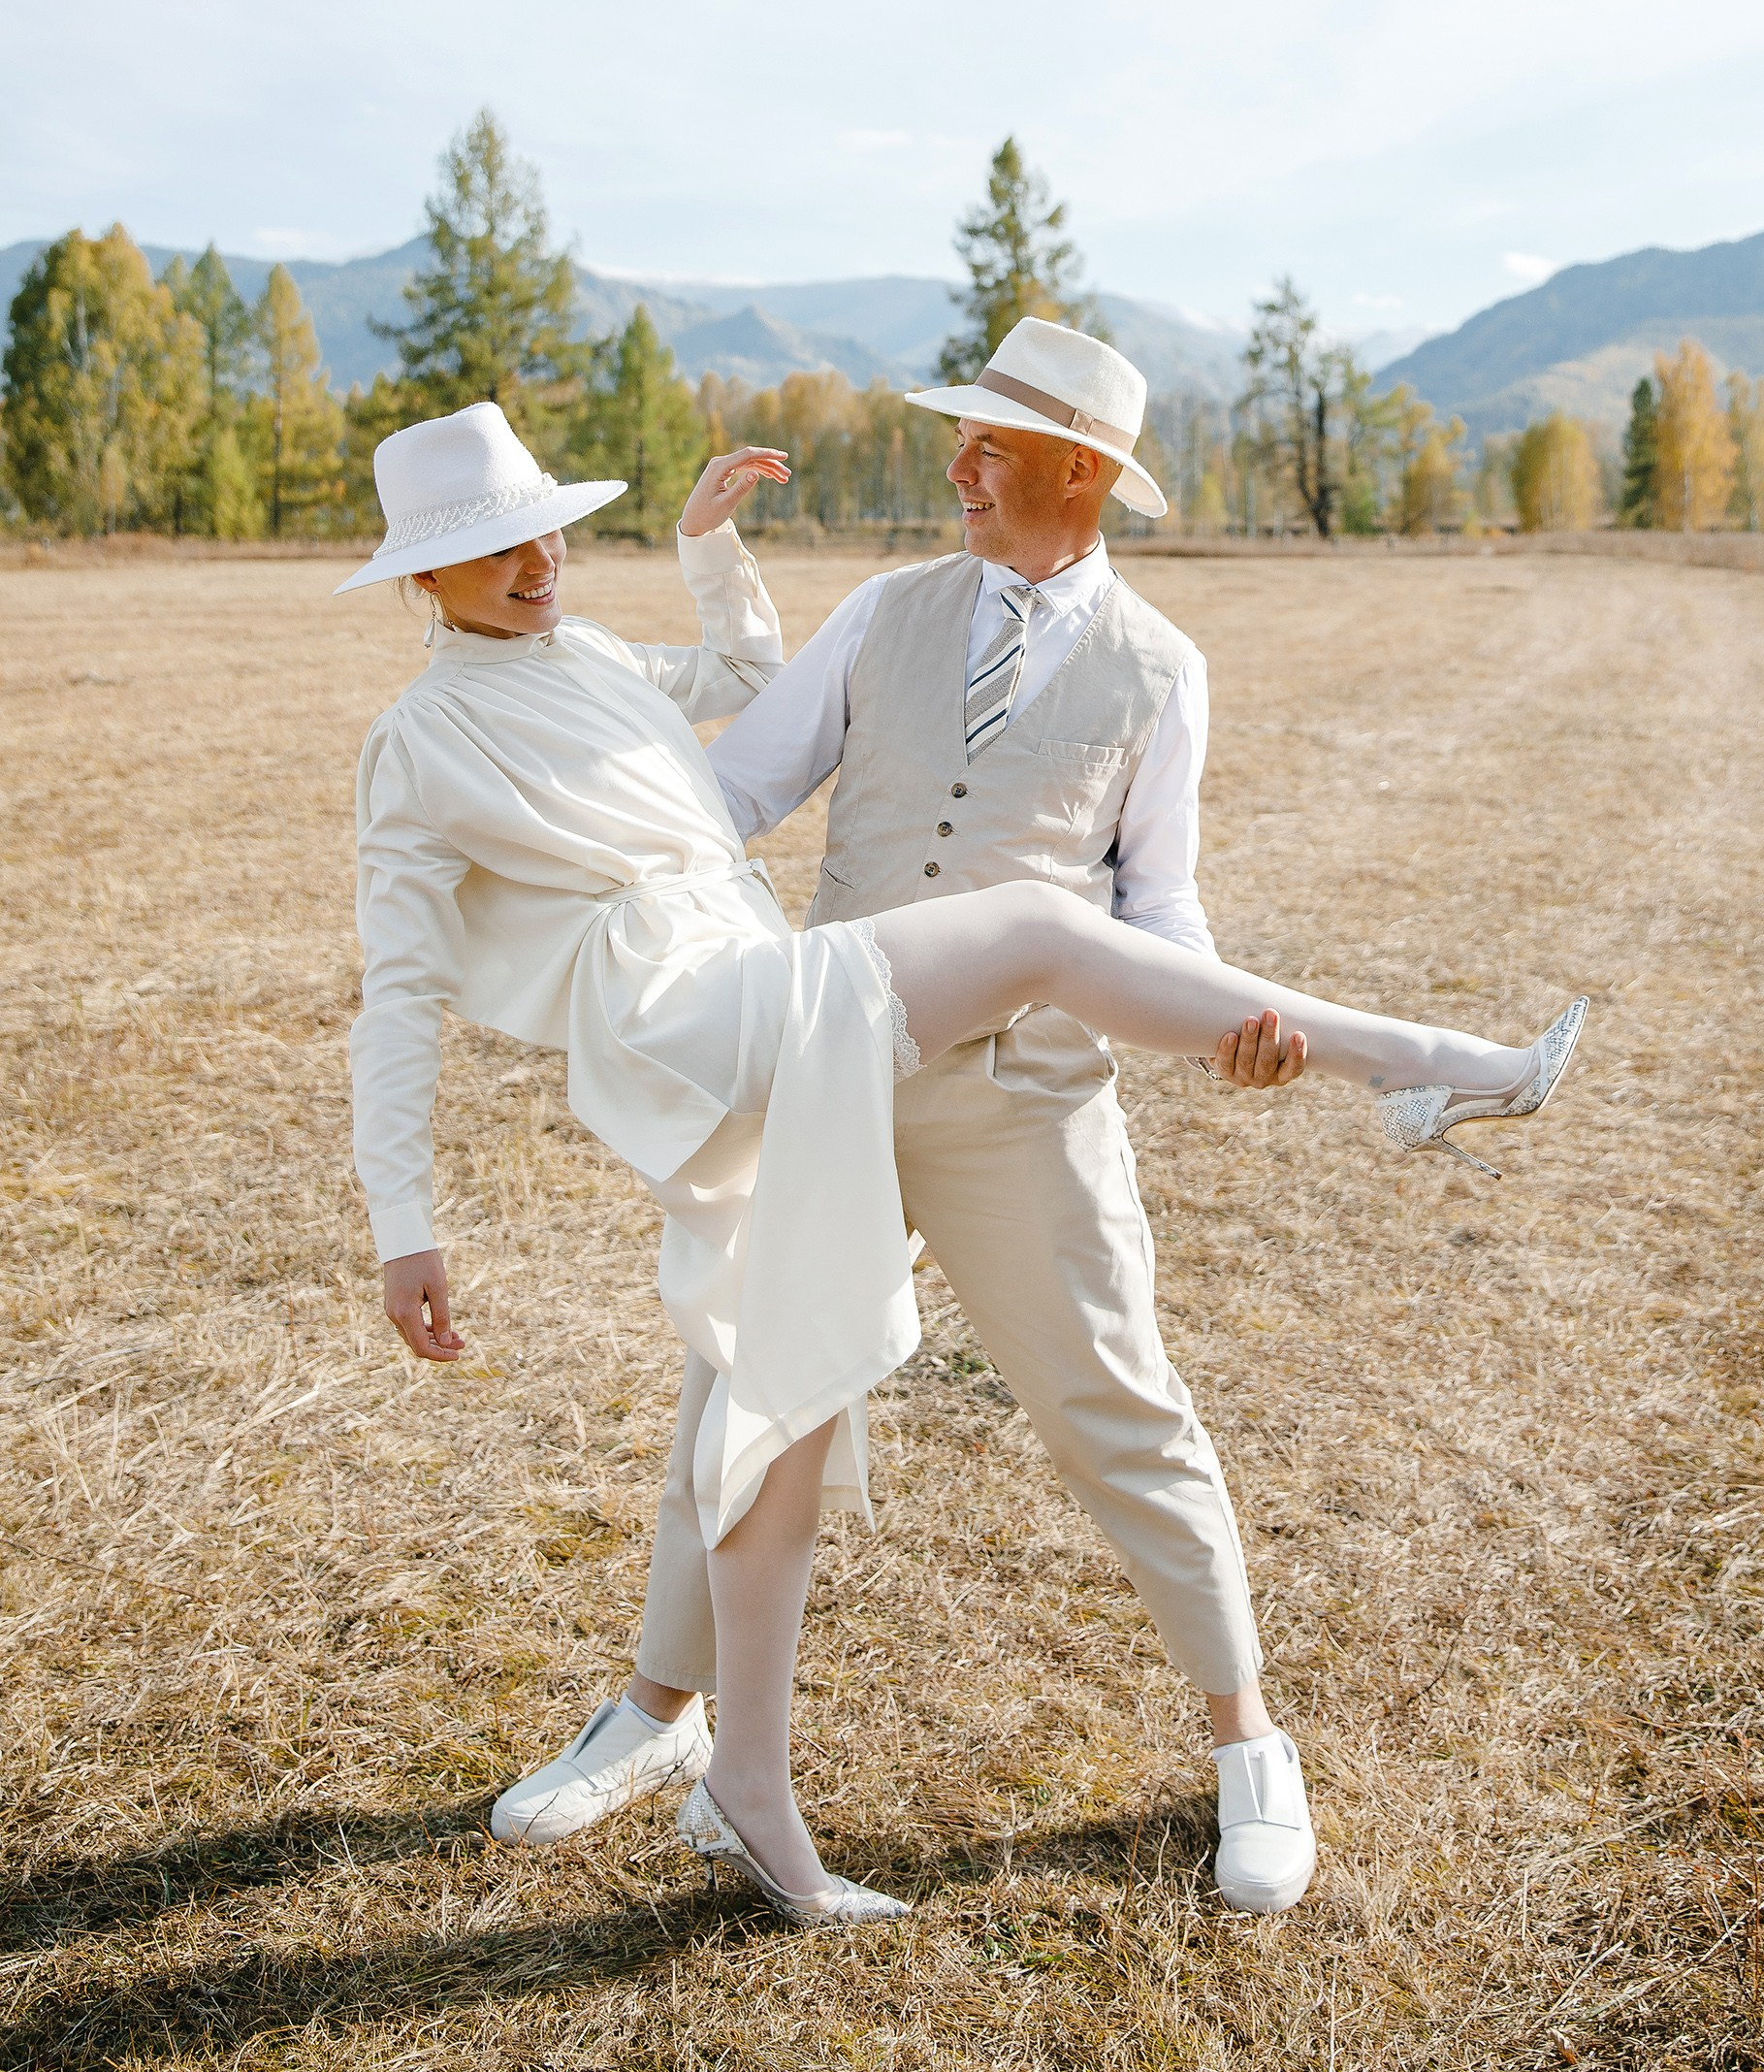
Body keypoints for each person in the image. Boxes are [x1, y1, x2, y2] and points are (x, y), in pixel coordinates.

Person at [346, 386, 1585, 1928]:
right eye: (499, 543)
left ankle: (1243, 1744)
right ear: (423, 576)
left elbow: (1164, 912)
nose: (960, 467)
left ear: (1082, 473)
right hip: (795, 1029)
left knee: (1054, 1405)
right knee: (741, 1388)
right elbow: (708, 795)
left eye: (990, 446)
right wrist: (412, 1210)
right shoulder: (862, 616)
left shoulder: (1158, 668)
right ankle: (664, 1727)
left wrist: (1230, 1032)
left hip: (1005, 1096)